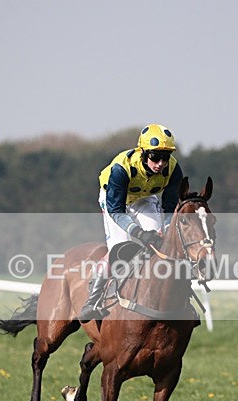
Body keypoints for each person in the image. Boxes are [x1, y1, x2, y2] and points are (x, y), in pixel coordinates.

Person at [78, 124, 185, 322]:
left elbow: (170, 209)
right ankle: (93, 299)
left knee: (160, 244)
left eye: (165, 157)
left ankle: (176, 299)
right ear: (143, 152)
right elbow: (117, 211)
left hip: (143, 199)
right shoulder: (121, 168)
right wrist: (139, 233)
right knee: (120, 248)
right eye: (155, 156)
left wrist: (165, 231)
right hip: (115, 202)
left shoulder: (173, 169)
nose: (161, 163)